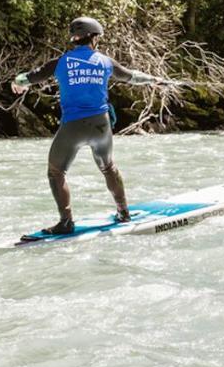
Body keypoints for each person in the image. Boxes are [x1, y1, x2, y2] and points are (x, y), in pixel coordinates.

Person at [11, 17, 165, 236]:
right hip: (100, 126)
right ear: (94, 37)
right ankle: (124, 213)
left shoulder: (60, 62)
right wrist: (153, 79)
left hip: (72, 127)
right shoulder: (106, 62)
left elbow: (29, 78)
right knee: (108, 167)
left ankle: (66, 222)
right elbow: (132, 77)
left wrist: (17, 83)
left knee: (56, 172)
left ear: (75, 39)